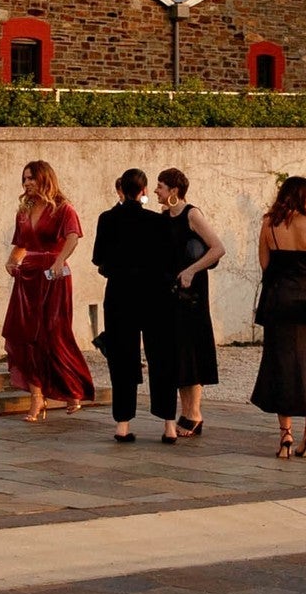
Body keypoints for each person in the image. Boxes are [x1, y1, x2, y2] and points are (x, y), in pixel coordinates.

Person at [92, 168, 179, 444]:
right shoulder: (158, 221)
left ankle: (123, 423)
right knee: (161, 356)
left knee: (122, 357)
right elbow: (170, 259)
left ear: (121, 189)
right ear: (143, 190)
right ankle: (169, 424)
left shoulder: (107, 219)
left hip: (120, 294)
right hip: (155, 295)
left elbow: (98, 258)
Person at [1, 161, 94, 420]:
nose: (27, 183)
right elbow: (21, 243)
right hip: (27, 276)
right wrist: (11, 261)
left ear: (44, 179)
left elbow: (74, 237)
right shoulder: (24, 209)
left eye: (31, 178)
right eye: (24, 179)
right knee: (25, 338)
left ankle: (72, 388)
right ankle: (36, 398)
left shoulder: (63, 208)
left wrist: (58, 260)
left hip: (54, 276)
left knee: (54, 334)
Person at [251, 176, 306, 459]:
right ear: (304, 196)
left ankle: (285, 436)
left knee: (281, 366)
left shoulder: (268, 224)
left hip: (278, 302)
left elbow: (264, 263)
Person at [154, 167, 226, 435]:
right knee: (178, 351)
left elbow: (218, 247)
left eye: (160, 186)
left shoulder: (192, 214)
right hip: (172, 293)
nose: (156, 191)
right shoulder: (164, 217)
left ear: (173, 190)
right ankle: (187, 412)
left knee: (193, 349)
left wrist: (192, 270)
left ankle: (193, 413)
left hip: (192, 293)